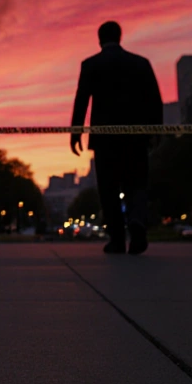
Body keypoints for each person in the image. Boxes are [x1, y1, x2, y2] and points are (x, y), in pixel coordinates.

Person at [70, 21, 163, 255]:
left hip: (104, 139)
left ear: (99, 39)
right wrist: (156, 131)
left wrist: (76, 132)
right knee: (137, 182)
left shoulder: (91, 64)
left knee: (108, 188)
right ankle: (137, 223)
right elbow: (154, 99)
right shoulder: (140, 64)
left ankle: (117, 240)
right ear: (120, 37)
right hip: (136, 137)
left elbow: (82, 100)